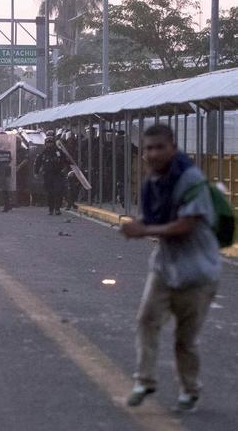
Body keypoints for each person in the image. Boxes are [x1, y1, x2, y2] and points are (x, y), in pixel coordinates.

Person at [120, 124, 221, 412]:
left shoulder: (191, 180)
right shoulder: (153, 183)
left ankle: (190, 390)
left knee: (184, 341)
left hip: (198, 271)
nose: (152, 153)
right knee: (146, 320)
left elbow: (186, 225)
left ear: (172, 147)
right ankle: (145, 379)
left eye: (158, 147)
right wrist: (141, 225)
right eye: (148, 148)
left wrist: (144, 229)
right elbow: (150, 217)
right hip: (165, 267)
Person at [33, 135, 68, 215]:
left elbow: (65, 160)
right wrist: (36, 172)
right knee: (50, 193)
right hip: (47, 175)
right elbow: (37, 163)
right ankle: (51, 209)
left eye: (51, 142)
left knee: (58, 191)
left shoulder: (58, 152)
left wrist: (65, 168)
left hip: (57, 174)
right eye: (48, 143)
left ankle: (57, 209)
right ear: (45, 144)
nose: (49, 144)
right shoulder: (43, 153)